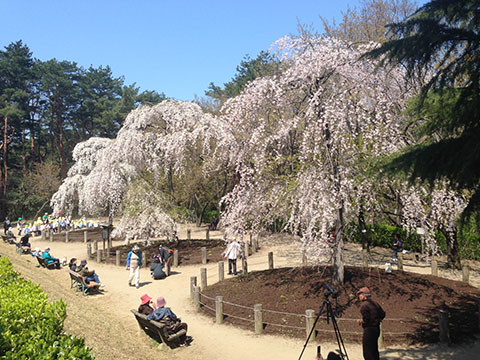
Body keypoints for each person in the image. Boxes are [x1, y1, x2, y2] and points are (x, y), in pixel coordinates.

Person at [357, 287, 385, 360]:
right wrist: (377, 319)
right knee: (374, 350)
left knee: (367, 352)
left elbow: (367, 319)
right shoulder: (375, 303)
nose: (359, 296)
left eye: (360, 294)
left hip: (369, 330)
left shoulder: (364, 305)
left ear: (364, 295)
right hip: (377, 329)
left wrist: (361, 321)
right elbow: (383, 314)